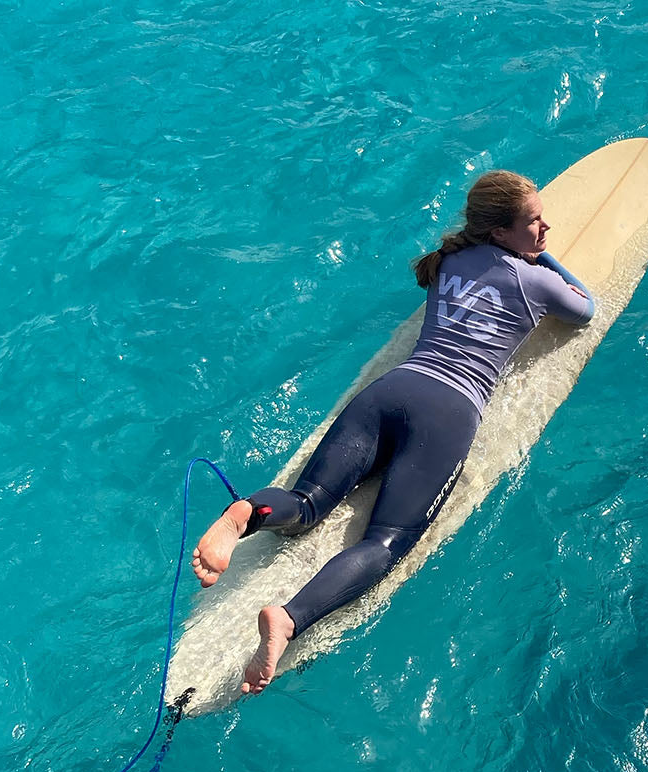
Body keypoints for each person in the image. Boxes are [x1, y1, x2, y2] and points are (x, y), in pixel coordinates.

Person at [190, 170, 595, 694]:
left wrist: (524, 247)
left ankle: (247, 513)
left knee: (307, 503)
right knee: (384, 543)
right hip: (449, 412)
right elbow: (583, 309)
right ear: (498, 233)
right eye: (532, 221)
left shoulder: (447, 261)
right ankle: (289, 618)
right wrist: (543, 260)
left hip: (391, 390)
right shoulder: (536, 280)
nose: (545, 226)